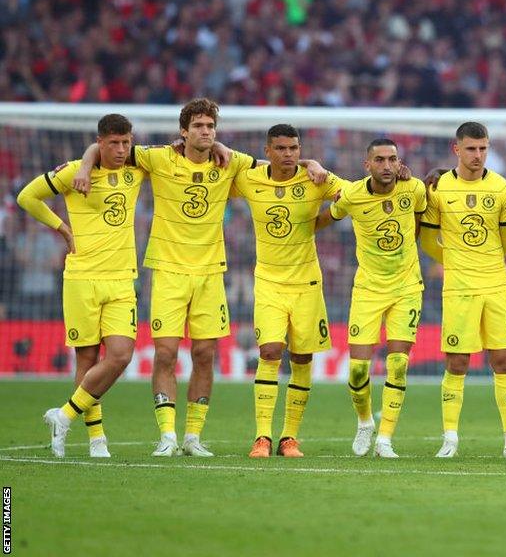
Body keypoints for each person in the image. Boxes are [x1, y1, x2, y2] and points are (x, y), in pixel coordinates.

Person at [72, 98, 324, 457]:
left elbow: (279, 167)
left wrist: (310, 162)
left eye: (211, 127)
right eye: (199, 127)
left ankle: (192, 437)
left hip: (210, 273)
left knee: (205, 353)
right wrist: (83, 167)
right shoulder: (158, 157)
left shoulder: (231, 161)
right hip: (169, 270)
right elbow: (107, 145)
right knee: (165, 354)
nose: (206, 132)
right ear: (184, 131)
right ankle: (167, 436)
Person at [21, 114, 144, 458]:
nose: (121, 150)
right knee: (87, 359)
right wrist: (61, 227)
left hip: (121, 279)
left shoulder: (137, 168)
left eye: (126, 142)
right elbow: (27, 197)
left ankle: (63, 415)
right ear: (101, 142)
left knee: (120, 355)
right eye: (114, 143)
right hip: (82, 278)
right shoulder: (73, 172)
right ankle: (96, 439)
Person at [418, 122, 506, 458]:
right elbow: (427, 239)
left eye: (483, 148)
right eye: (471, 148)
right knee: (457, 363)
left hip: (497, 285)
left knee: (503, 361)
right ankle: (450, 439)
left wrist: (482, 259)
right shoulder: (438, 189)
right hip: (459, 288)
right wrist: (455, 259)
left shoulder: (501, 189)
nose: (478, 155)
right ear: (457, 149)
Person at [234, 124, 347, 458]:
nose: (288, 155)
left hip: (307, 283)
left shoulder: (315, 179)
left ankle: (289, 438)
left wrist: (322, 217)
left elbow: (355, 194)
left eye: (294, 149)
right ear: (267, 151)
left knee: (301, 357)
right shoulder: (249, 178)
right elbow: (218, 166)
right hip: (268, 282)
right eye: (281, 149)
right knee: (269, 352)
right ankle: (262, 438)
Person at [316, 138, 426, 459]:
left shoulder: (414, 188)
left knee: (398, 364)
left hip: (407, 287)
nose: (387, 166)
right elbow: (329, 217)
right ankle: (365, 423)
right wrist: (299, 230)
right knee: (358, 371)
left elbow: (419, 218)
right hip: (368, 289)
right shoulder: (352, 195)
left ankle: (386, 439)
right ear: (368, 165)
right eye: (380, 160)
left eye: (392, 159)